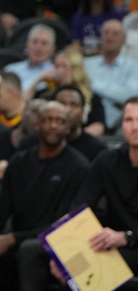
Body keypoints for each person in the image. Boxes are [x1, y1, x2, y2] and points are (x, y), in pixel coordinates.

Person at [0, 102, 88, 291]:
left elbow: (62, 225)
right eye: (47, 120)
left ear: (68, 128)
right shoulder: (19, 162)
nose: (53, 125)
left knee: (29, 249)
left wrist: (10, 239)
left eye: (60, 121)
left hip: (47, 247)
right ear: (38, 125)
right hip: (15, 242)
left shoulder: (78, 167)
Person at [66, 97, 138, 281]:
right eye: (129, 120)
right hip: (111, 243)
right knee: (35, 252)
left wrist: (127, 237)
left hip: (127, 243)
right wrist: (63, 253)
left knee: (89, 264)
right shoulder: (107, 161)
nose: (135, 127)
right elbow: (80, 207)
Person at [3, 24, 56, 92]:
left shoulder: (54, 74)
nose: (38, 47)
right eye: (34, 42)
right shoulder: (11, 70)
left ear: (52, 49)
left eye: (44, 43)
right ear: (27, 45)